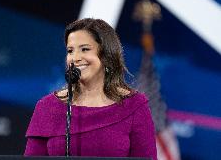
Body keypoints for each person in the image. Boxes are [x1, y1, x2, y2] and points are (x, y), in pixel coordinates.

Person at [24, 18, 157, 159]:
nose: (75, 58)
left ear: (106, 54)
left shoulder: (134, 106)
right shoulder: (47, 107)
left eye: (85, 49)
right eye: (70, 51)